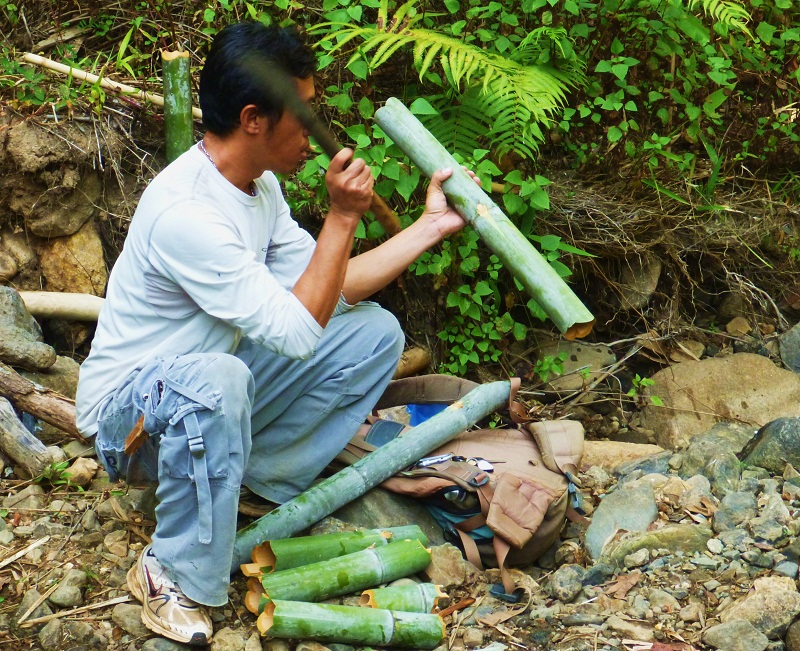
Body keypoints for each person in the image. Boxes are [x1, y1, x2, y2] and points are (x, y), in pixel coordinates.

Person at [75, 21, 473, 646]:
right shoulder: (190, 214)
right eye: (306, 112)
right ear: (255, 119)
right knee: (222, 376)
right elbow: (294, 330)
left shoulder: (257, 188)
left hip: (207, 390)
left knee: (374, 335)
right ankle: (171, 571)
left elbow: (329, 292)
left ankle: (246, 486)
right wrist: (343, 216)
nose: (317, 131)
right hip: (130, 425)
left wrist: (428, 227)